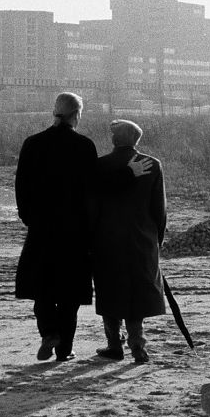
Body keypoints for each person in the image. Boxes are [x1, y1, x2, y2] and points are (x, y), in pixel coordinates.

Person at [14, 92, 97, 362]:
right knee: (70, 293)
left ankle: (49, 333)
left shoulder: (33, 144)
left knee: (43, 287)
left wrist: (29, 217)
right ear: (77, 114)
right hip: (75, 231)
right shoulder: (84, 146)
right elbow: (91, 191)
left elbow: (21, 186)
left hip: (42, 228)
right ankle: (64, 349)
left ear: (54, 112)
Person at [90, 119, 166, 364]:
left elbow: (92, 204)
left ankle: (114, 344)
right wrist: (157, 239)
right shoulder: (152, 165)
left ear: (114, 140)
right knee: (137, 290)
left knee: (110, 290)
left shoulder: (100, 165)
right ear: (137, 140)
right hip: (142, 237)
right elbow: (159, 209)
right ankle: (138, 346)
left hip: (107, 238)